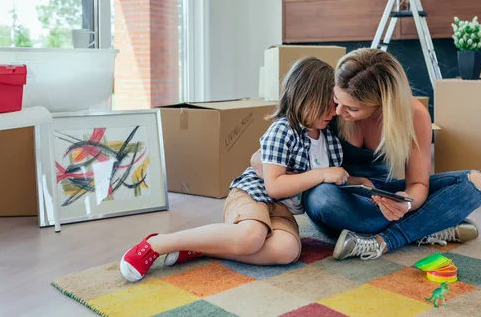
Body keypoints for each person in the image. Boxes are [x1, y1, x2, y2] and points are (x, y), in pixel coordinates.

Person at [119, 57, 363, 283]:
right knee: (251, 237)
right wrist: (321, 174)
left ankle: (203, 248)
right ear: (303, 98)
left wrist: (357, 181)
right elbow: (274, 186)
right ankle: (158, 243)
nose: (333, 112)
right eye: (326, 105)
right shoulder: (283, 131)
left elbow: (331, 175)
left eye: (334, 104)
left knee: (288, 250)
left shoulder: (330, 141)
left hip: (282, 209)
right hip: (252, 193)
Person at [251, 48, 481, 261]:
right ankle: (427, 225)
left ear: (382, 104)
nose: (338, 111)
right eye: (336, 100)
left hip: (381, 198)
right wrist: (315, 175)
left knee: (475, 183)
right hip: (339, 201)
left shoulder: (414, 115)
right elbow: (261, 160)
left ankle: (381, 242)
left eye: (353, 108)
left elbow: (417, 184)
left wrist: (404, 204)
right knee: (322, 196)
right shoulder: (329, 107)